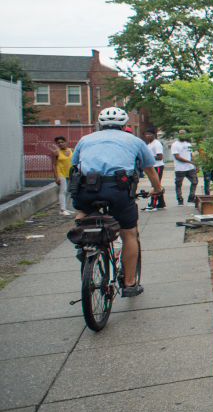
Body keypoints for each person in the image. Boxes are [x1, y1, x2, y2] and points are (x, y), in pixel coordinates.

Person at [71, 107, 164, 297]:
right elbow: (150, 169)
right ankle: (129, 283)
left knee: (83, 212)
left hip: (87, 188)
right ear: (125, 125)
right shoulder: (135, 141)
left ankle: (82, 243)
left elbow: (74, 166)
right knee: (129, 234)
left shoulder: (85, 140)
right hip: (118, 191)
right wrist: (157, 189)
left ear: (100, 124)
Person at [170, 131, 198, 205]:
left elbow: (191, 156)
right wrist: (189, 162)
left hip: (190, 168)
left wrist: (196, 165)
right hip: (180, 168)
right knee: (179, 184)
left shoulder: (188, 144)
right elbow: (177, 157)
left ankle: (191, 197)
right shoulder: (175, 145)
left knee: (195, 182)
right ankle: (180, 199)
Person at [142, 128, 166, 211]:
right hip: (152, 166)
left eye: (149, 134)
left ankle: (153, 204)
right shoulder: (149, 145)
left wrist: (149, 158)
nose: (148, 136)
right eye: (146, 134)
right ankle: (161, 203)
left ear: (154, 135)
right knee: (157, 184)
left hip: (157, 166)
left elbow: (160, 157)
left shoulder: (157, 144)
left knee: (155, 185)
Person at [51, 136, 73, 215]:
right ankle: (62, 209)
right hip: (61, 173)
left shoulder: (71, 151)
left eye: (62, 142)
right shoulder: (56, 152)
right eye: (58, 143)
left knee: (68, 191)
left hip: (70, 173)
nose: (60, 144)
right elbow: (54, 164)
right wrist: (56, 177)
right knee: (63, 190)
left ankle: (65, 208)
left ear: (66, 142)